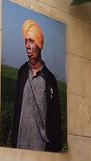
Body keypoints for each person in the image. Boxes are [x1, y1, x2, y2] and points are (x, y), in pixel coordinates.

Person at [10, 19, 63, 151]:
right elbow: (16, 108)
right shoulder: (22, 72)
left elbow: (56, 119)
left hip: (40, 149)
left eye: (31, 41)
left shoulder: (50, 79)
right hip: (19, 147)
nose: (27, 46)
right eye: (26, 41)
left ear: (39, 45)